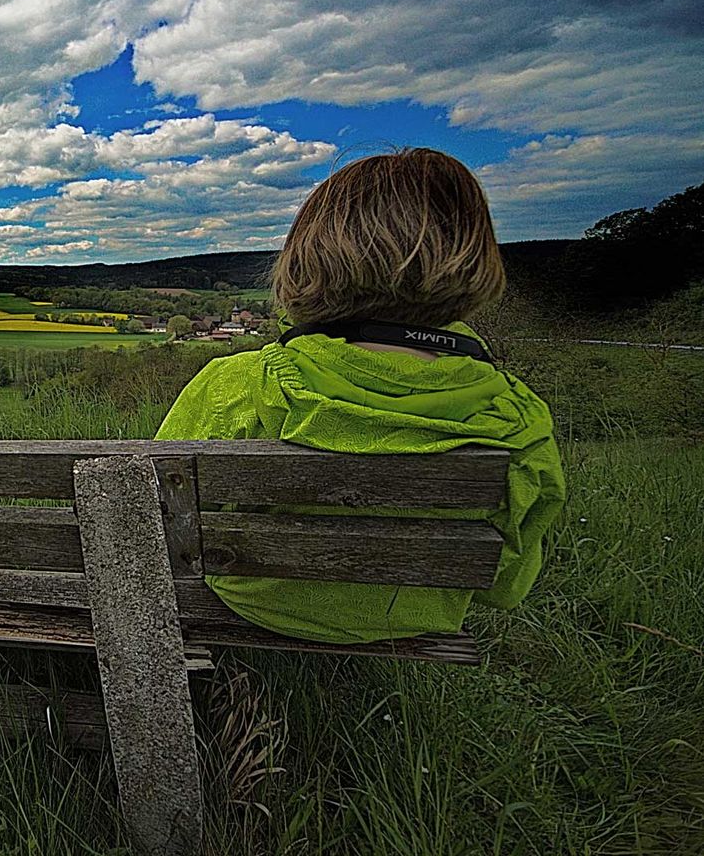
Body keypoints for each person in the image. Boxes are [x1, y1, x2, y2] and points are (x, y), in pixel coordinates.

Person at [156, 148, 565, 644]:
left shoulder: (236, 384)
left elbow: (159, 517)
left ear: (309, 256)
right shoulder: (516, 416)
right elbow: (505, 585)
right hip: (406, 622)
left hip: (248, 604)